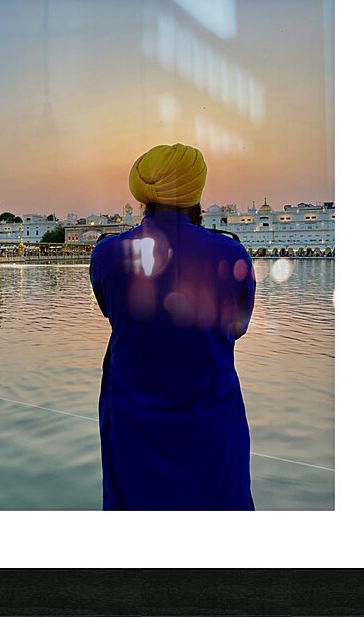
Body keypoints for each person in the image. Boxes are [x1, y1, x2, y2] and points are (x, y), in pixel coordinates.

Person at [89, 143, 256, 510]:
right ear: (195, 193)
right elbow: (238, 327)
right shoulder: (231, 254)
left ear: (144, 195)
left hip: (134, 420)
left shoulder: (106, 255)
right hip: (210, 418)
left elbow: (112, 311)